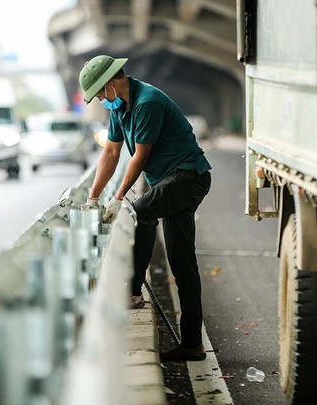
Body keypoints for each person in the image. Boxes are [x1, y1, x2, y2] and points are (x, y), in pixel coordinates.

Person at [79, 55, 212, 362]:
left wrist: (120, 196)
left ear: (111, 84)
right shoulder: (120, 108)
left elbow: (139, 157)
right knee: (181, 262)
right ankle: (192, 344)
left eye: (100, 93)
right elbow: (111, 152)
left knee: (140, 213)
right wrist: (94, 197)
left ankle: (132, 290)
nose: (101, 99)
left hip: (188, 177)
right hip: (170, 181)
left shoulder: (147, 102)